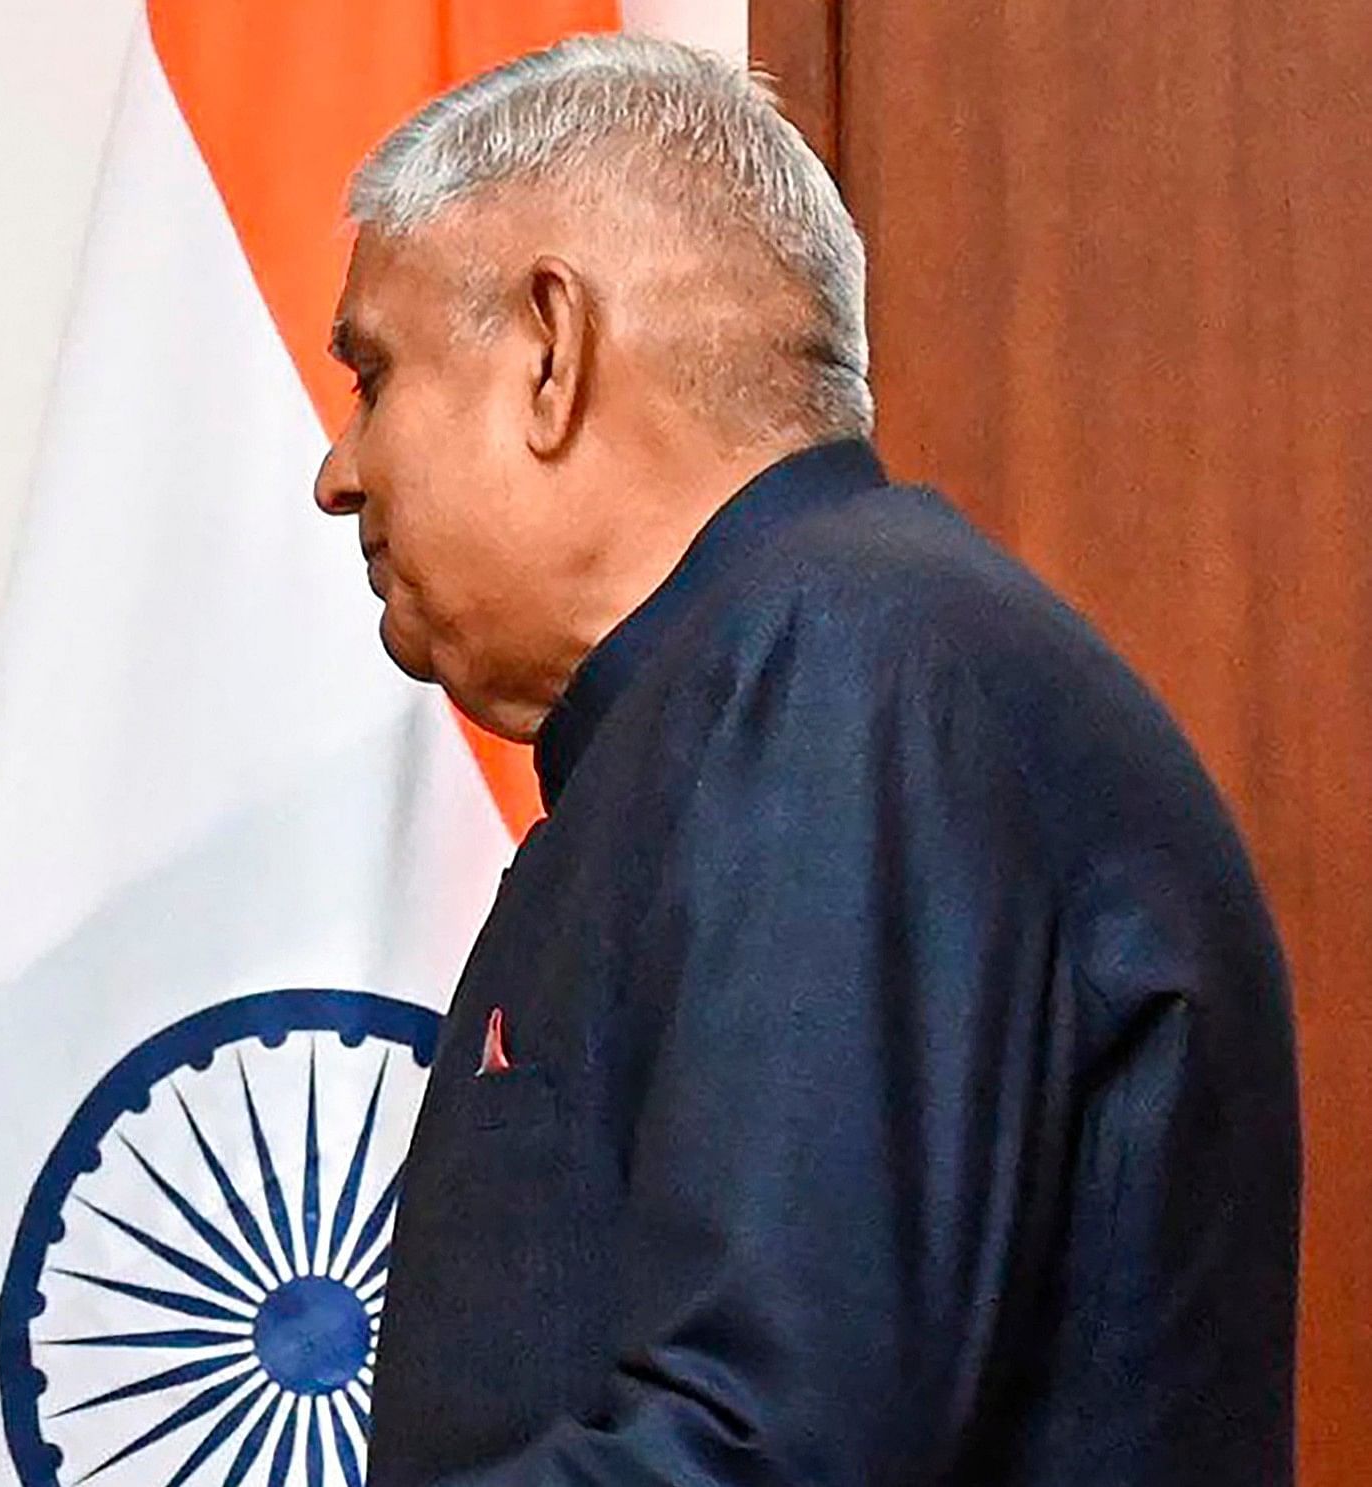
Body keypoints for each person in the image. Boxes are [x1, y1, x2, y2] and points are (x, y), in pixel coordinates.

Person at [314, 35, 1299, 1487]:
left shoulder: (839, 667)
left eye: (373, 377)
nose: (340, 469)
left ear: (549, 350)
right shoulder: (787, 682)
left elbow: (777, 1449)